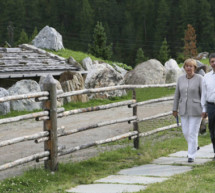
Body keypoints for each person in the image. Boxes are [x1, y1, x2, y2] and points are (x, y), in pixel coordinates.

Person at [173, 58, 203, 163]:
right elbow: (177, 95)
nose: (188, 68)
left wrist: (205, 109)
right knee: (185, 132)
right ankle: (195, 146)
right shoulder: (180, 79)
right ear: (184, 67)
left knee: (192, 133)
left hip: (196, 110)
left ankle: (191, 155)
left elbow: (203, 95)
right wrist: (174, 109)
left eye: (191, 66)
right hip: (183, 109)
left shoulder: (199, 78)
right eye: (187, 66)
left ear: (194, 68)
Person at [201, 53, 215, 160]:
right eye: (212, 61)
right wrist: (204, 109)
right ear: (209, 63)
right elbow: (204, 94)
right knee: (212, 129)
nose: (214, 63)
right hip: (211, 106)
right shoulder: (206, 77)